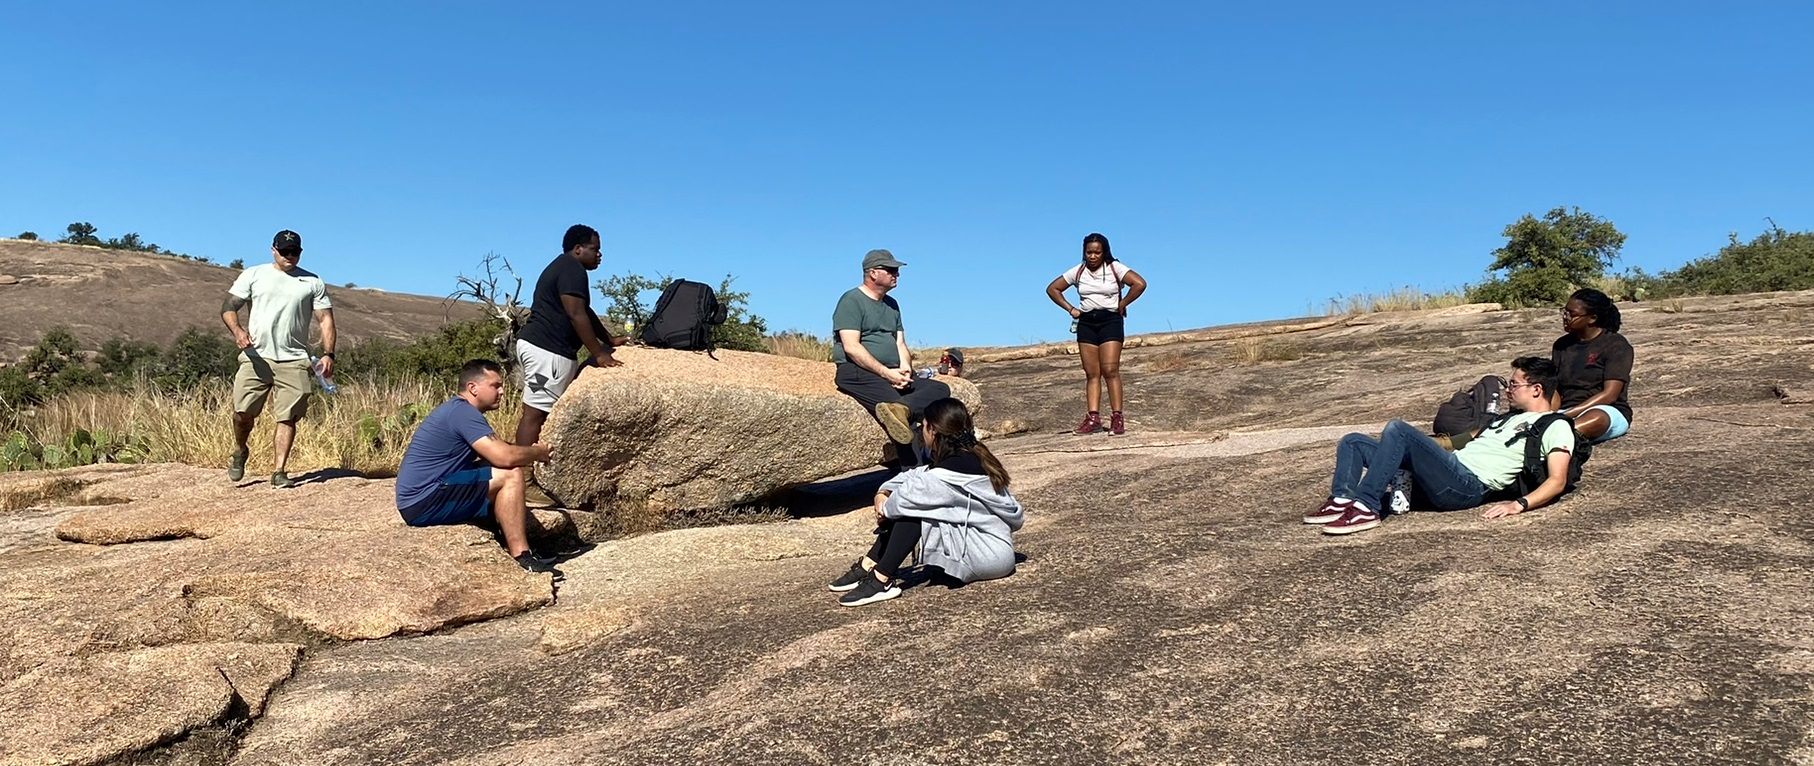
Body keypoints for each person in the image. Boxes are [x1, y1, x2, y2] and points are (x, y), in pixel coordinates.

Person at [1304, 356, 1577, 536]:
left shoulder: (1554, 425)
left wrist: (1519, 505)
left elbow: (1558, 480)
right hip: (1449, 471)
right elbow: (1457, 443)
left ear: (1537, 389)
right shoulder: (1503, 420)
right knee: (1354, 442)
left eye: (1514, 385)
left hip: (1467, 486)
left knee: (1398, 428)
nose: (1507, 390)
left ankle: (1366, 508)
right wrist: (1420, 447)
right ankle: (1342, 500)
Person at [827, 397, 1024, 606]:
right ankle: (870, 564)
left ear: (933, 430)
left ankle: (881, 579)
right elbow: (916, 474)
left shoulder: (943, 477)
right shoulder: (973, 456)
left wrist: (884, 504)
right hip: (994, 550)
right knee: (914, 502)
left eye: (923, 426)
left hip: (985, 557)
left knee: (913, 510)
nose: (921, 430)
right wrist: (883, 491)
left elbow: (899, 504)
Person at [396, 360, 561, 574]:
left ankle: (503, 540)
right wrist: (539, 452)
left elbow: (495, 453)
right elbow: (505, 457)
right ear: (473, 388)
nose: (502, 391)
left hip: (424, 495)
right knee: (511, 475)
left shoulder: (457, 410)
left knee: (491, 466)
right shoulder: (463, 413)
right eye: (495, 386)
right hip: (423, 501)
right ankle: (522, 555)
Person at [221, 229, 335, 488]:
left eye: (294, 252)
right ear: (273, 249)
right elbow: (228, 308)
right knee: (242, 413)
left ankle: (279, 471)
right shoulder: (253, 274)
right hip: (255, 356)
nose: (290, 256)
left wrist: (329, 354)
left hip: (294, 358)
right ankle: (240, 450)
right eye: (284, 251)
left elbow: (325, 318)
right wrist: (238, 332)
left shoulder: (312, 282)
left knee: (287, 416)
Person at [832, 249, 950, 468]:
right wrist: (887, 373)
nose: (896, 274)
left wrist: (905, 367)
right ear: (873, 273)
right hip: (857, 371)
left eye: (896, 270)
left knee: (941, 392)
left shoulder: (892, 304)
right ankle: (912, 474)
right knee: (897, 415)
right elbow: (851, 347)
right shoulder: (851, 300)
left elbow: (900, 343)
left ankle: (902, 411)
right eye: (890, 269)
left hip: (892, 371)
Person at [513, 224, 623, 448]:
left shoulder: (565, 268)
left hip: (541, 347)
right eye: (595, 249)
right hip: (547, 351)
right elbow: (575, 314)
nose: (599, 255)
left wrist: (609, 339)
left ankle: (524, 465)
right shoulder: (572, 269)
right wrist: (599, 354)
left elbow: (585, 311)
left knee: (538, 412)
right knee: (535, 414)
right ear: (578, 249)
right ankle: (520, 471)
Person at [1044, 232, 1147, 436]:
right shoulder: (1079, 271)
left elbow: (1140, 283)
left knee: (1110, 370)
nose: (1092, 256)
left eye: (1097, 252)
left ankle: (1117, 417)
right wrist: (1071, 309)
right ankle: (1093, 418)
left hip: (1110, 320)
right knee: (1092, 373)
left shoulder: (1114, 268)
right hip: (1086, 322)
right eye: (1089, 252)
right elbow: (1053, 289)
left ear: (1104, 252)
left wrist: (1123, 303)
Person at [1553, 288, 1633, 444]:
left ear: (1592, 318)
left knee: (1597, 419)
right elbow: (1555, 388)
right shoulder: (1561, 345)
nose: (1565, 317)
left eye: (1572, 314)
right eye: (1564, 311)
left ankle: (1557, 434)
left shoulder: (1616, 345)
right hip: (1564, 411)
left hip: (1606, 410)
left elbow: (1610, 395)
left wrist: (1566, 416)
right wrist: (1550, 413)